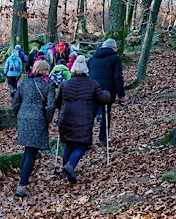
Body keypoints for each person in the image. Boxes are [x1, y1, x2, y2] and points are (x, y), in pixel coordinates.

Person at [56, 56, 111, 184]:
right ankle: (70, 166)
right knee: (82, 145)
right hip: (83, 120)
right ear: (86, 70)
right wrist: (107, 93)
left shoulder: (65, 84)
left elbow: (57, 102)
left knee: (69, 144)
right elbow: (103, 99)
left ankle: (65, 172)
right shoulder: (92, 84)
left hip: (66, 118)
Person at [12, 60, 56, 197]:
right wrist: (47, 119)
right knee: (31, 152)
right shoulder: (48, 84)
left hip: (23, 117)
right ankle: (22, 185)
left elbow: (15, 102)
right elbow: (50, 106)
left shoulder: (24, 83)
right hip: (38, 119)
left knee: (28, 149)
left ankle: (22, 180)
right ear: (46, 71)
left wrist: (19, 114)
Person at [87, 39, 128, 147]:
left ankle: (86, 140)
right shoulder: (115, 59)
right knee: (106, 114)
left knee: (90, 115)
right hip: (107, 91)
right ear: (113, 47)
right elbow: (118, 77)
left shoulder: (92, 59)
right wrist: (121, 95)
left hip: (92, 89)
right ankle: (103, 140)